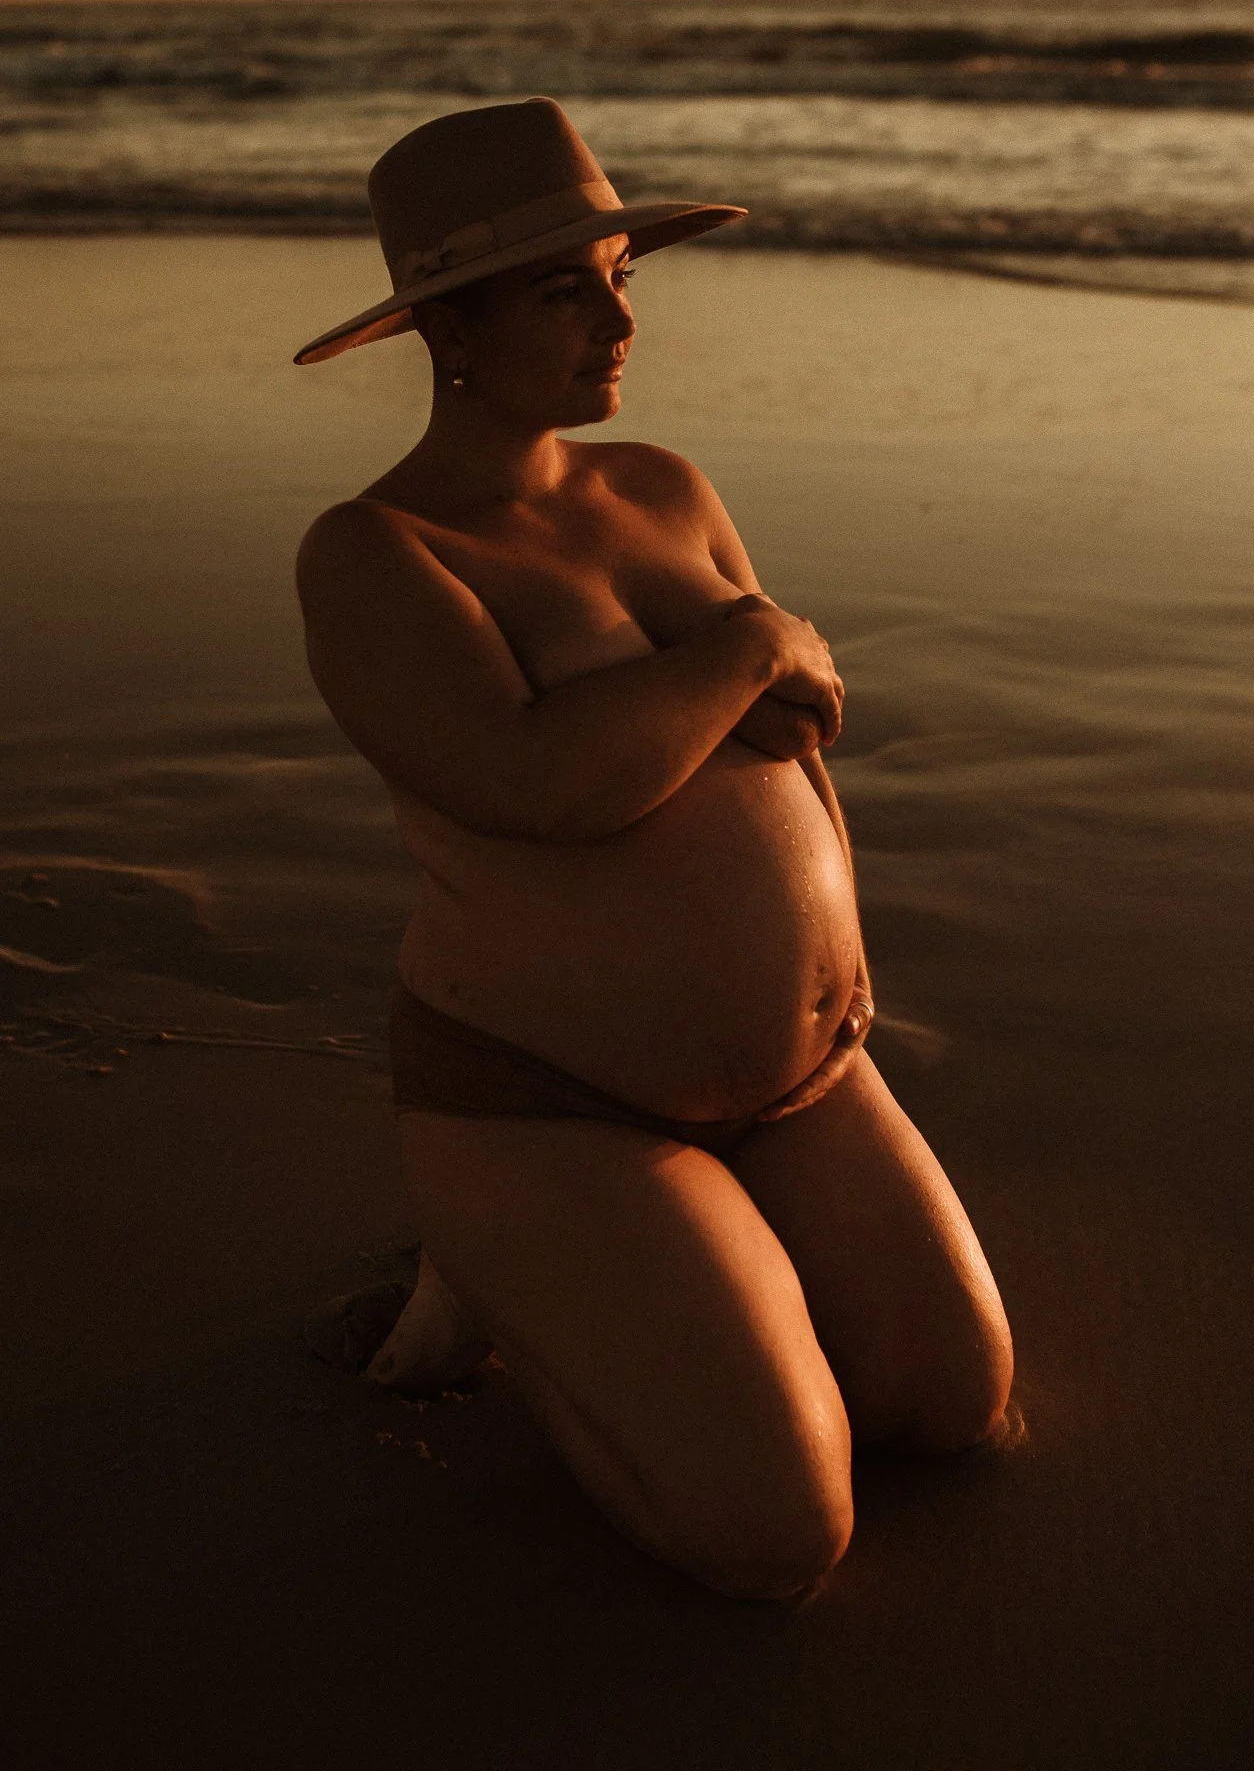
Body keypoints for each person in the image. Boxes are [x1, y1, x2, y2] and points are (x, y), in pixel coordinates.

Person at [293, 99, 1013, 1602]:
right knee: (776, 1539)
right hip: (554, 1105)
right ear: (449, 324)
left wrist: (841, 969)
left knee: (949, 1410)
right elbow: (543, 783)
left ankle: (672, 1286)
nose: (618, 319)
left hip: (804, 1072)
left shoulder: (665, 490)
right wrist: (748, 645)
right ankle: (498, 1268)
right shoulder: (379, 555)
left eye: (624, 275)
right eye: (568, 288)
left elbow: (800, 747)